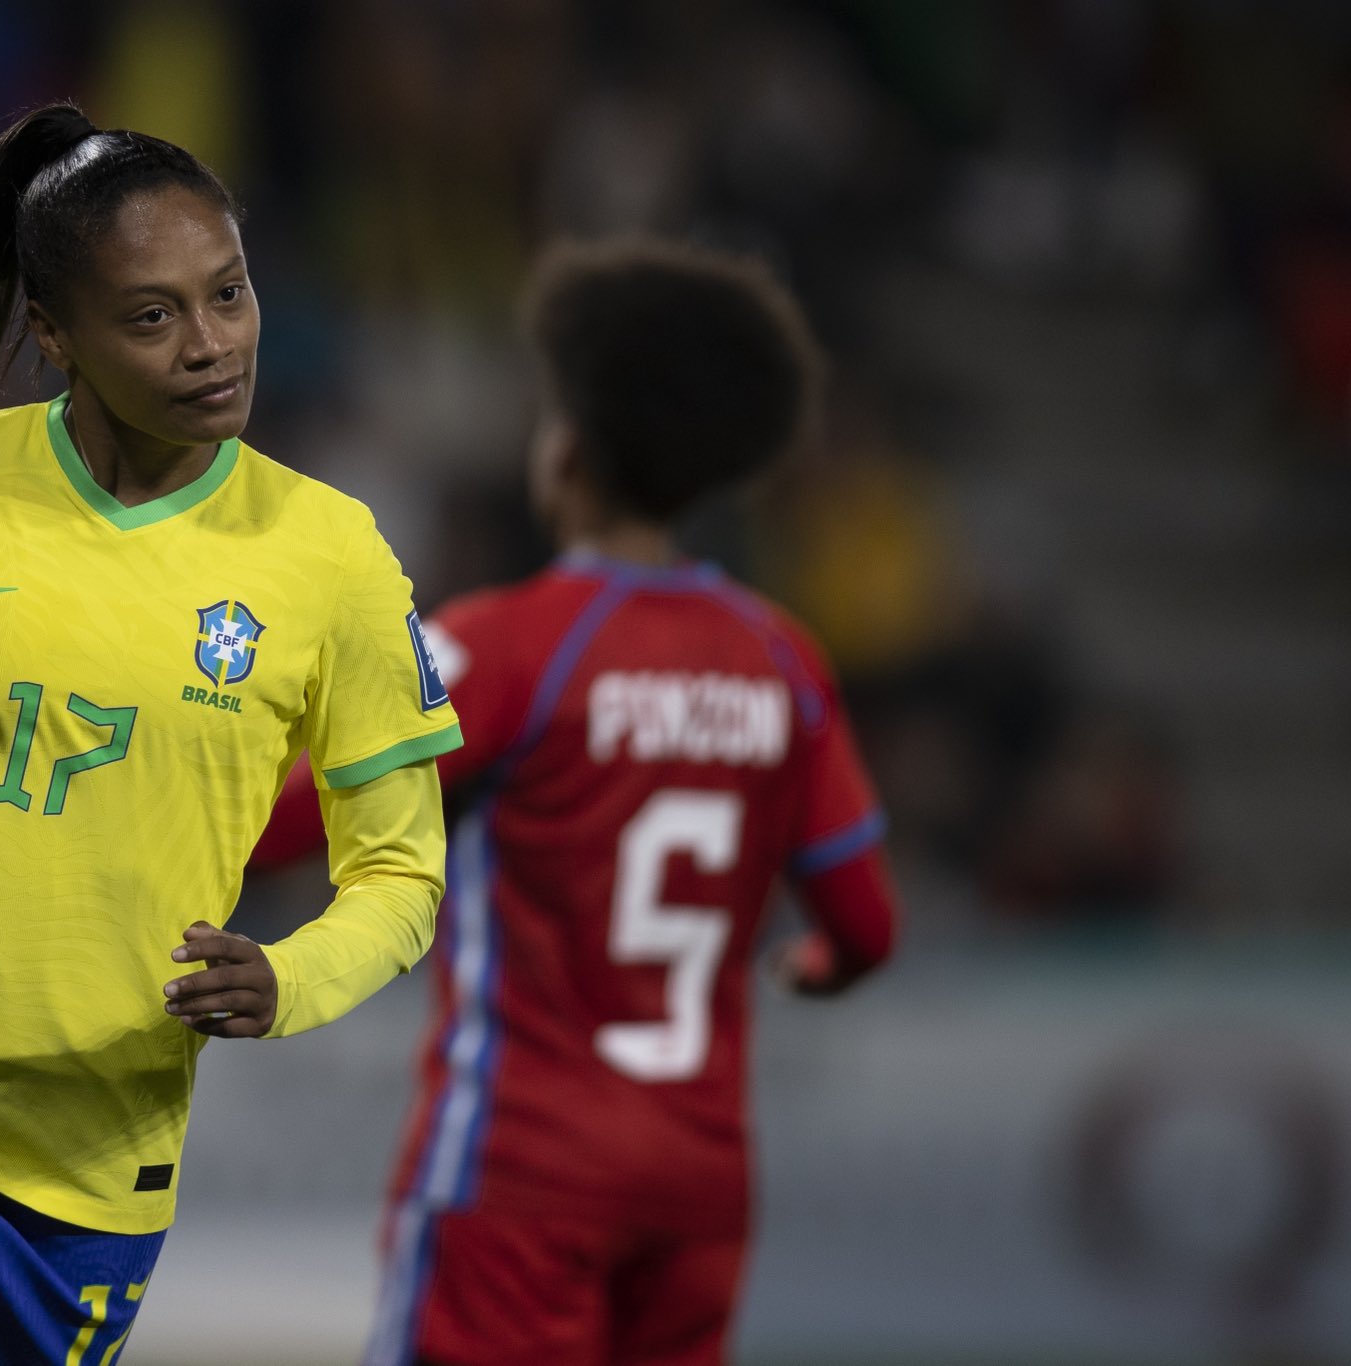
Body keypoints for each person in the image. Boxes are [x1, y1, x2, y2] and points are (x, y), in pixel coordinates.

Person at [0, 102, 462, 1366]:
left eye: (228, 293)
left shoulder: (331, 556)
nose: (210, 345)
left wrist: (287, 980)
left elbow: (401, 876)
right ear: (52, 334)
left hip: (86, 1161)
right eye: (152, 315)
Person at [251, 238, 901, 1366]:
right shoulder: (779, 661)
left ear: (568, 454)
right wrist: (814, 969)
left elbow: (284, 826)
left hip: (519, 1176)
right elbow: (864, 925)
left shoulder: (512, 647)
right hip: (697, 1190)